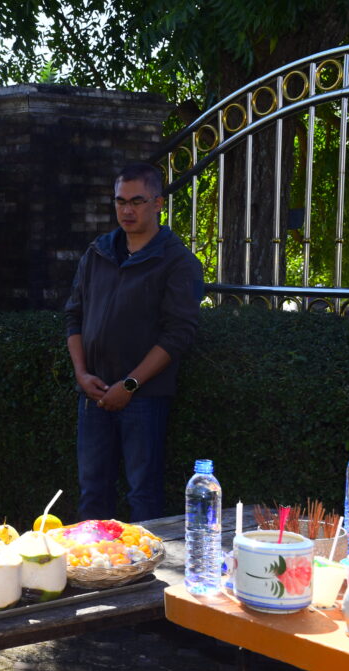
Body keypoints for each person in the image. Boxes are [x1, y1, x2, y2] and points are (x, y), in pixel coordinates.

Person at [64, 162, 203, 523]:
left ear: (158, 203)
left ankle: (144, 562)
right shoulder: (97, 252)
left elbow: (179, 334)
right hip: (93, 393)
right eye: (120, 201)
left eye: (137, 201)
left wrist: (129, 385)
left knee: (143, 496)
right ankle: (95, 559)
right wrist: (81, 375)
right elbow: (74, 316)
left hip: (144, 399)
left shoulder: (179, 261)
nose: (127, 210)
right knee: (92, 493)